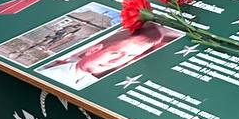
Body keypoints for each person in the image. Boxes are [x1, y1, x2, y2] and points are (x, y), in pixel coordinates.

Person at [36, 23, 178, 90]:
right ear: (94, 49)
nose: (116, 61)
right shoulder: (48, 72)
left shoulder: (94, 85)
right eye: (115, 52)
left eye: (129, 56)